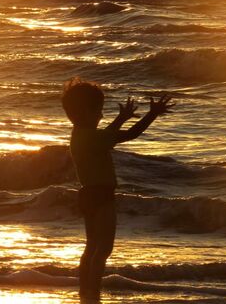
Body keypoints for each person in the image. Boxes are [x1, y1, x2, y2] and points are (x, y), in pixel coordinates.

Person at [62, 78, 174, 301]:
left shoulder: (81, 136)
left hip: (87, 195)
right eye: (98, 111)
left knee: (92, 247)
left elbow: (109, 134)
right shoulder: (92, 138)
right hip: (102, 195)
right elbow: (129, 135)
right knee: (103, 249)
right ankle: (93, 292)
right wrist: (152, 114)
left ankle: (85, 290)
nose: (101, 116)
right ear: (86, 112)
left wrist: (120, 118)